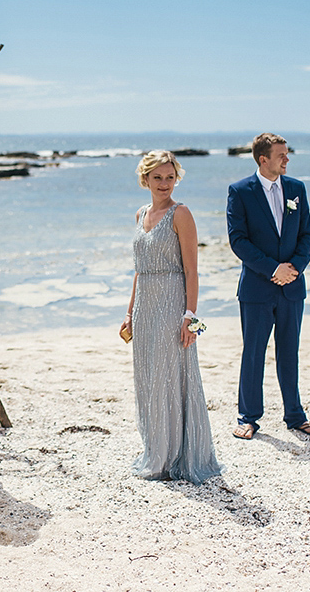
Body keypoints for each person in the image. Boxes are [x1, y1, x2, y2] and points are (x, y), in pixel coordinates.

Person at [120, 150, 222, 483]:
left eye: (170, 177)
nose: (164, 184)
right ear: (145, 179)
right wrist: (129, 312)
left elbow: (192, 270)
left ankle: (173, 457)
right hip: (145, 309)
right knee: (148, 379)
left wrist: (191, 317)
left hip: (173, 306)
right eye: (158, 177)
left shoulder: (182, 214)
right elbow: (139, 270)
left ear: (176, 178)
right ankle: (155, 450)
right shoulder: (140, 214)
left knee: (172, 378)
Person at [226, 133, 310, 440]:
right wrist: (273, 269)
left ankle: (295, 416)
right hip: (257, 287)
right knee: (254, 352)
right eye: (281, 155)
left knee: (289, 352)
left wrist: (293, 268)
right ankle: (248, 417)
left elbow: (307, 235)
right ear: (263, 159)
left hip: (292, 286)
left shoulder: (297, 189)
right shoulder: (240, 191)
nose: (287, 159)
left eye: (286, 154)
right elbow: (238, 240)